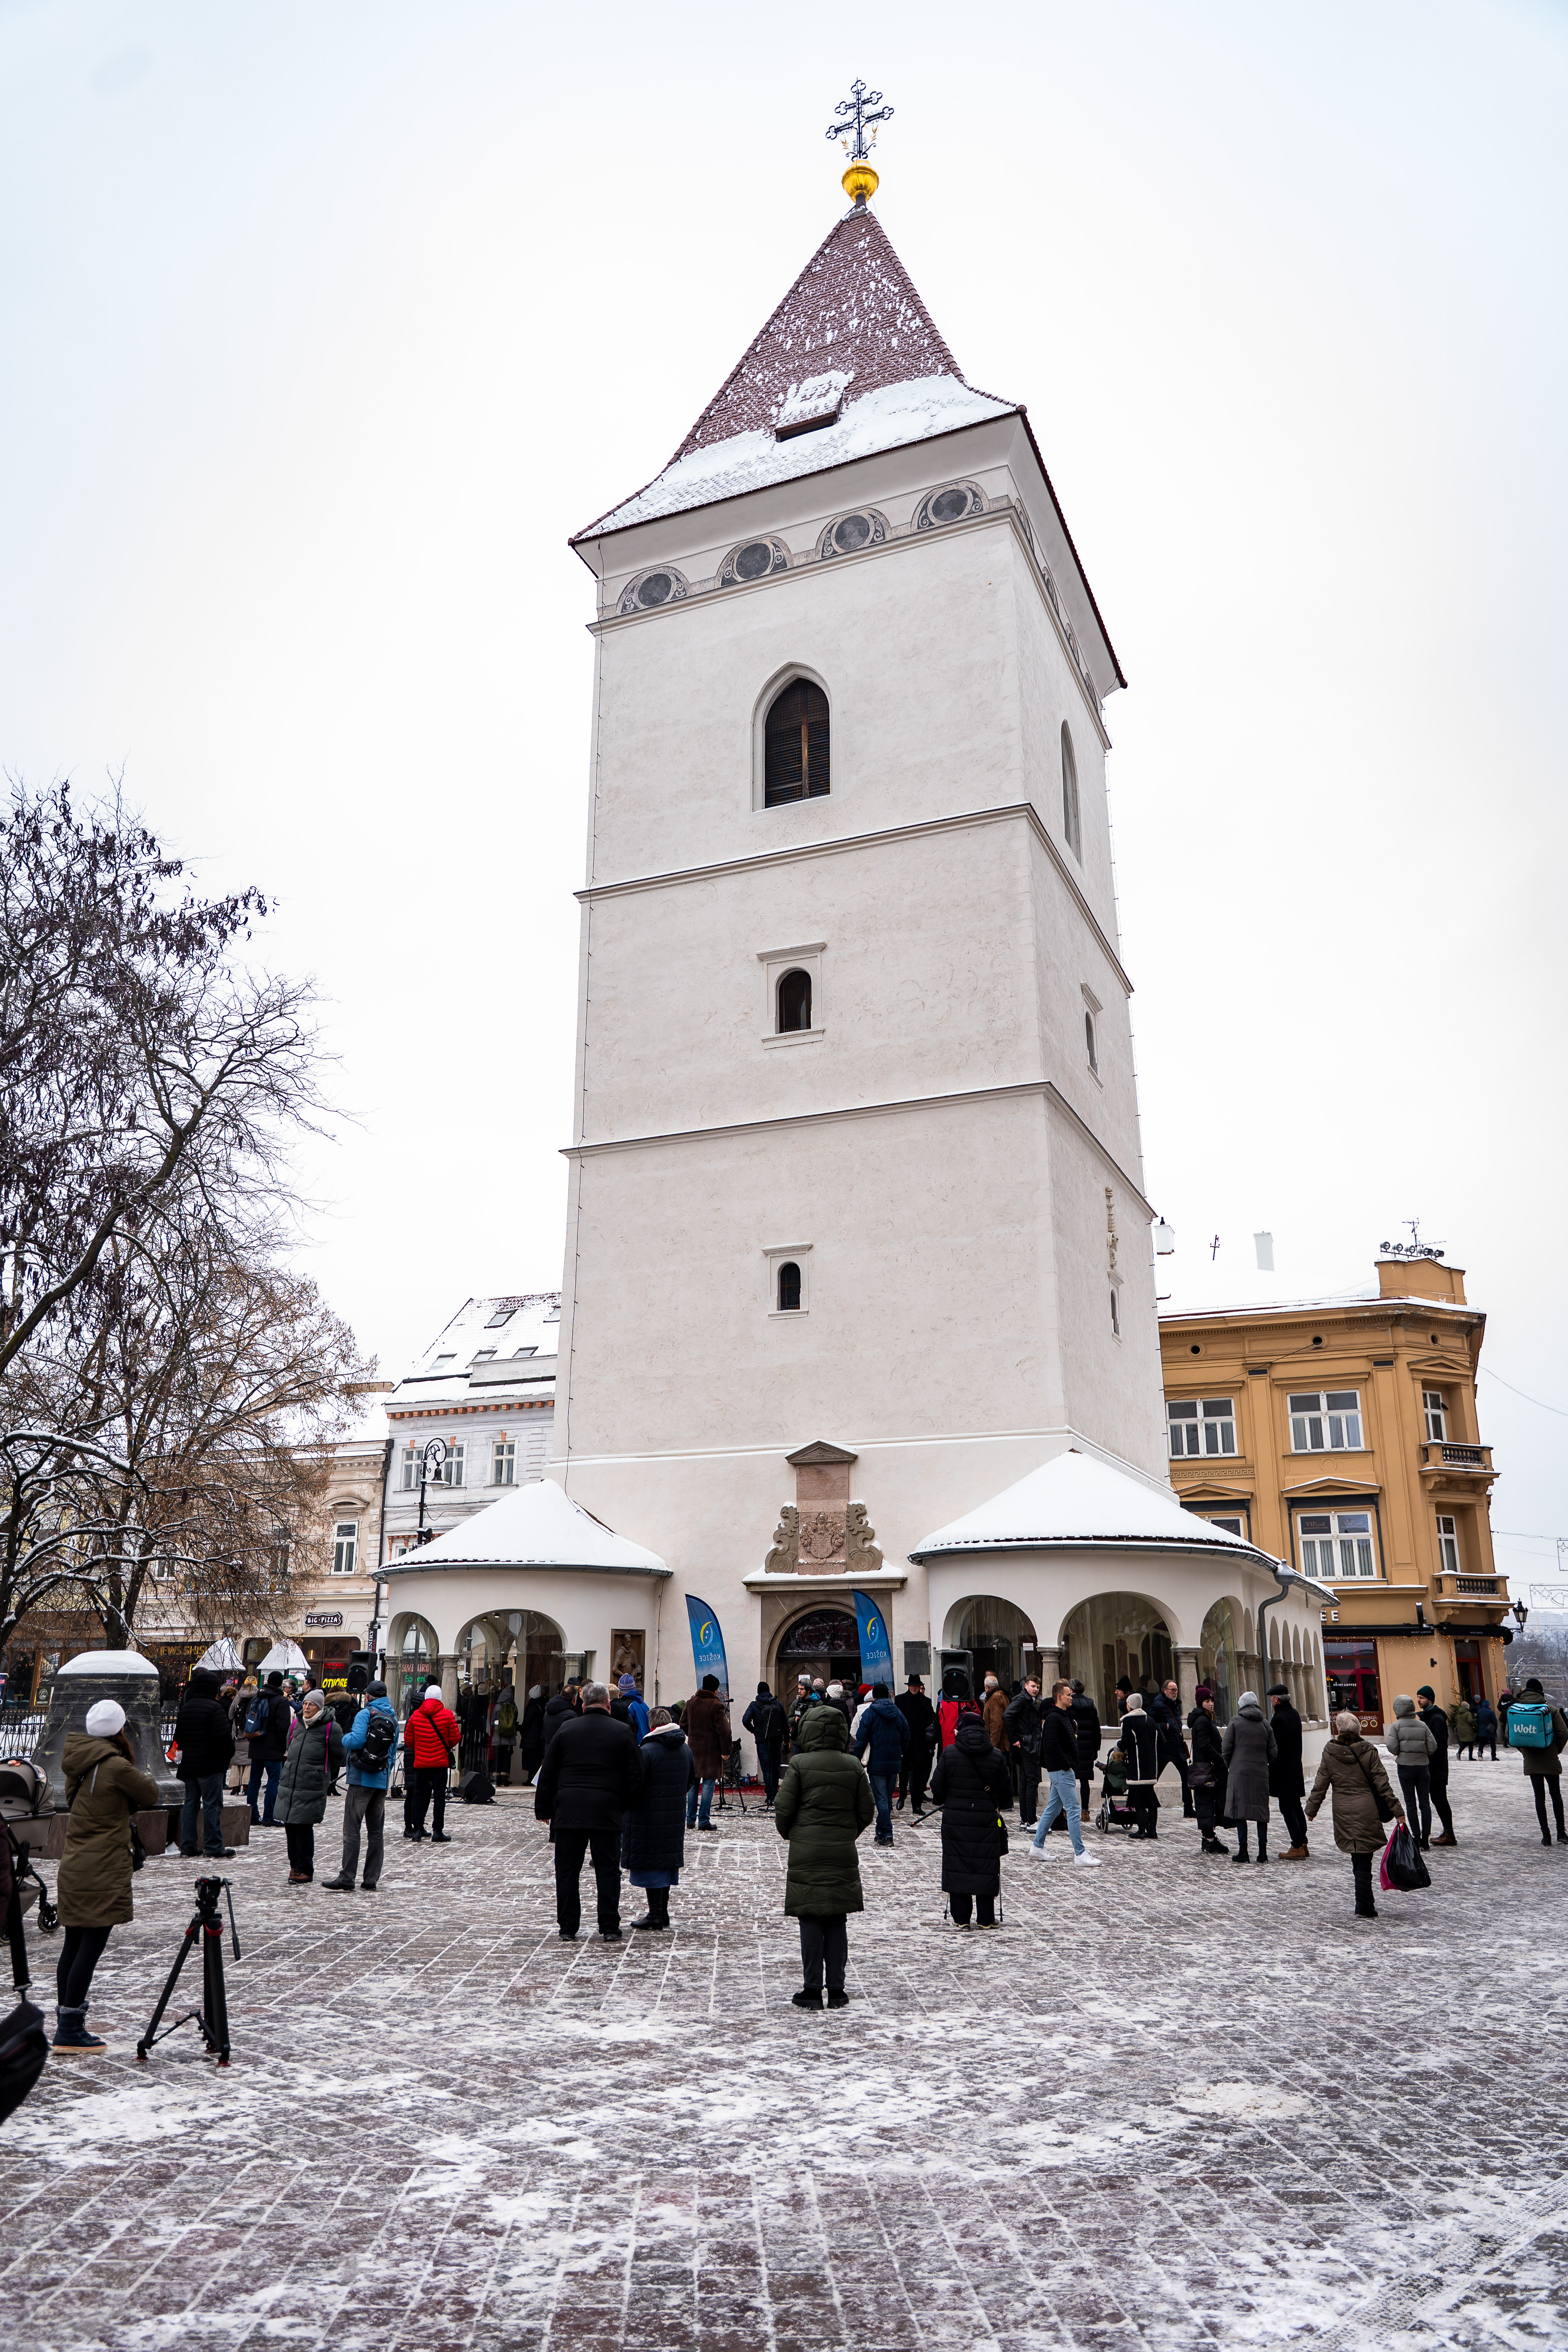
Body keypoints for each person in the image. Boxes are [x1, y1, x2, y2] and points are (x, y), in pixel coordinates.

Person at [52, 1699, 159, 2053]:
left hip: (76, 1864)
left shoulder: (79, 1764)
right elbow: (152, 1793)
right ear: (119, 1729)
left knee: (74, 1943)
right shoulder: (114, 1766)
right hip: (103, 1869)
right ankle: (70, 2030)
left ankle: (66, 2024)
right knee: (91, 1946)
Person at [775, 1699, 874, 2007]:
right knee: (837, 1919)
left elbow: (783, 1809)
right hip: (841, 1851)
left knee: (811, 1919)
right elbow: (866, 1811)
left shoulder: (800, 1765)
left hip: (806, 1852)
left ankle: (812, 1989)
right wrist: (847, 1833)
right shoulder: (853, 1765)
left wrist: (795, 1834)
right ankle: (838, 1989)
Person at [534, 1681, 643, 1941]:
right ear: (608, 1704)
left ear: (583, 1705)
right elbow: (637, 1776)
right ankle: (609, 1925)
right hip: (607, 1809)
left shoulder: (567, 1729)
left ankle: (568, 1927)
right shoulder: (622, 1731)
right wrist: (624, 1805)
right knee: (607, 1870)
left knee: (567, 1870)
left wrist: (544, 1809)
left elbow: (547, 1773)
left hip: (569, 1810)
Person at [1305, 1710, 1407, 1918]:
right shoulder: (1368, 1750)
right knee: (1364, 1857)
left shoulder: (1330, 1751)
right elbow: (1382, 1783)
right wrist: (1397, 1810)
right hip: (1366, 1808)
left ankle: (1364, 1901)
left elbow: (1321, 1783)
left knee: (1356, 1854)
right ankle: (1364, 1903)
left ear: (1339, 1730)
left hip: (1343, 1810)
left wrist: (1311, 1809)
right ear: (1358, 1729)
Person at [931, 1708, 1013, 1927]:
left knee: (958, 1864)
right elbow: (1006, 1796)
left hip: (956, 1821)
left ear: (959, 1730)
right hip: (986, 1820)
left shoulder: (949, 1754)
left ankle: (962, 1919)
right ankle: (986, 1919)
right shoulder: (996, 1756)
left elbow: (936, 1791)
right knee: (986, 1864)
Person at [323, 1677, 398, 1891]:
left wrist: (345, 1738)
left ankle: (347, 1878)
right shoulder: (392, 1719)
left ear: (368, 1697)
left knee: (352, 1829)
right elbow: (391, 1753)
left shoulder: (365, 1714)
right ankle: (371, 1879)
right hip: (380, 1780)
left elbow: (355, 1741)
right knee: (376, 1833)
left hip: (361, 1779)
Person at [623, 1706, 693, 1931]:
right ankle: (662, 1913)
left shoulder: (647, 1750)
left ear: (652, 1726)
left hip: (648, 1816)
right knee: (666, 1862)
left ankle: (655, 1915)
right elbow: (692, 1781)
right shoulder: (685, 1749)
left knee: (653, 1864)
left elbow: (634, 1784)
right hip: (674, 1814)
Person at [276, 1691, 345, 1884]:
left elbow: (339, 1755)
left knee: (304, 1826)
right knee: (290, 1825)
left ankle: (305, 1869)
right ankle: (294, 1866)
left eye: (311, 1705)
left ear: (320, 1707)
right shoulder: (297, 1724)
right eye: (305, 1704)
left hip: (312, 1783)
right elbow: (289, 1744)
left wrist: (322, 1773)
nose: (306, 1708)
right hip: (291, 1781)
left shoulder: (332, 1727)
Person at [1030, 1679, 1100, 1864]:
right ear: (1060, 1697)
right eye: (1069, 1695)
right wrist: (1067, 1764)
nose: (1072, 1698)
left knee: (1052, 1810)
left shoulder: (1062, 1716)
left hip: (1063, 1770)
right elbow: (1052, 1746)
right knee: (1074, 1809)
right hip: (1062, 1770)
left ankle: (1037, 1846)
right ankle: (1080, 1853)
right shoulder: (1054, 1718)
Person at [174, 1670, 236, 1859]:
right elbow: (224, 1739)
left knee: (191, 1805)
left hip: (190, 1766)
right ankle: (213, 1846)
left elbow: (179, 1741)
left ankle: (188, 1846)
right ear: (213, 1688)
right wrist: (228, 1755)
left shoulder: (186, 1708)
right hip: (210, 1766)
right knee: (212, 1805)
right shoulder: (215, 1709)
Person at [1221, 1691, 1276, 1862]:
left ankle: (1243, 1851)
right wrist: (1262, 1762)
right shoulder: (1265, 1725)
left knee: (1240, 1811)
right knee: (1261, 1812)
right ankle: (1263, 1853)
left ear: (1242, 1705)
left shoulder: (1235, 1722)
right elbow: (1273, 1751)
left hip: (1239, 1772)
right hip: (1260, 1773)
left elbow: (1226, 1748)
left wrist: (1231, 1764)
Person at [1512, 1677, 1568, 1846]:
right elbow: (1564, 1733)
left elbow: (1512, 1735)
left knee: (1539, 1797)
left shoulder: (1518, 1710)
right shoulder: (1549, 1710)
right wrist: (1556, 1750)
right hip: (1550, 1757)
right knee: (1556, 1795)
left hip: (1531, 1760)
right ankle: (1561, 1833)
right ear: (1541, 1692)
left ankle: (1546, 1836)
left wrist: (1525, 1752)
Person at [403, 1680, 460, 1843]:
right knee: (440, 1797)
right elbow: (455, 1738)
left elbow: (409, 1741)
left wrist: (421, 1747)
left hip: (421, 1763)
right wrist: (444, 1747)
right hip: (440, 1763)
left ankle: (417, 1830)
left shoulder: (415, 1716)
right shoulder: (448, 1715)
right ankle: (438, 1831)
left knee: (418, 1796)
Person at [853, 1682, 909, 1846]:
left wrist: (857, 1759)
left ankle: (887, 1834)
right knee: (887, 1798)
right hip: (894, 1763)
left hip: (877, 1763)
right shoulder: (898, 1713)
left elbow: (862, 1738)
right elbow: (907, 1735)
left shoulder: (871, 1713)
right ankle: (880, 1833)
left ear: (874, 1697)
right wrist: (901, 1752)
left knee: (882, 1800)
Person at [1384, 1695, 1437, 1849]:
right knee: (1425, 1804)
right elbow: (1433, 1746)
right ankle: (1426, 1839)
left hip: (1405, 1768)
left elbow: (1392, 1748)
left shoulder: (1396, 1726)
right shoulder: (1422, 1725)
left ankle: (1416, 1837)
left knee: (1410, 1803)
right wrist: (1422, 1753)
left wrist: (1403, 1752)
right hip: (1422, 1767)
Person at [244, 1671, 293, 1826]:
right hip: (273, 1748)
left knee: (254, 1781)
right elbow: (283, 1726)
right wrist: (284, 1746)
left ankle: (252, 1814)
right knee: (274, 1780)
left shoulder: (256, 1698)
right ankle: (269, 1815)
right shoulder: (281, 1701)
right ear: (280, 1685)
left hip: (256, 1745)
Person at [1267, 1684, 1310, 1859]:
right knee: (1296, 1805)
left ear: (1276, 1699)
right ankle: (1304, 1842)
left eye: (1271, 1699)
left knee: (1286, 1807)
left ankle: (1297, 1845)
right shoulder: (1294, 1714)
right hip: (1294, 1767)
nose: (1271, 1702)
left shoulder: (1279, 1719)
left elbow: (1275, 1747)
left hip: (1283, 1770)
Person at [683, 1675, 729, 1831]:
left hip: (694, 1750)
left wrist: (694, 1736)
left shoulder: (691, 1703)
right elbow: (724, 1730)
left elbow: (683, 1724)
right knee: (709, 1784)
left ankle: (690, 1820)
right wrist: (726, 1751)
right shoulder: (717, 1705)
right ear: (715, 1690)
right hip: (711, 1752)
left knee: (694, 1785)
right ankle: (703, 1820)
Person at [1188, 1686, 1229, 1855]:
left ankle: (1209, 1838)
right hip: (1207, 1769)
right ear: (1201, 1703)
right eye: (1207, 1701)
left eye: (1212, 1701)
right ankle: (1209, 1840)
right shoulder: (1202, 1721)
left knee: (1208, 1802)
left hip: (1207, 1768)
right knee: (1207, 1803)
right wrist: (1221, 1760)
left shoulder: (1205, 1719)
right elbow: (1205, 1746)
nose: (1211, 1704)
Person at [1416, 1685, 1457, 1846]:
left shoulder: (1436, 1719)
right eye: (1418, 1697)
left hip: (1436, 1769)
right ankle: (1448, 1832)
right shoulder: (1428, 1717)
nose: (1418, 1700)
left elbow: (1439, 1747)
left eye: (1422, 1698)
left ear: (1430, 1700)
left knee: (1440, 1800)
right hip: (1431, 1767)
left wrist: (1429, 1765)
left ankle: (1449, 1834)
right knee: (1437, 1800)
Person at [1119, 1690, 1162, 1839]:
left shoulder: (1128, 1721)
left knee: (1139, 1800)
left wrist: (1117, 1747)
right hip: (1150, 1765)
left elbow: (1126, 1742)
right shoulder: (1150, 1720)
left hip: (1137, 1765)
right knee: (1150, 1798)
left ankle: (1142, 1830)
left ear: (1129, 1705)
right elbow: (1160, 1741)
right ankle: (1153, 1830)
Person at [1149, 1679, 1194, 1817]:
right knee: (1152, 1779)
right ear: (1165, 1691)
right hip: (1164, 1749)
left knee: (1186, 1777)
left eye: (1176, 1690)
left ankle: (1188, 1808)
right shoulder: (1158, 1705)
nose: (1175, 1693)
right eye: (1172, 1690)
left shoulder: (1175, 1705)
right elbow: (1150, 1722)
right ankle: (1146, 1805)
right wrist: (1165, 1726)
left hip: (1177, 1747)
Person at [1004, 1678, 1044, 1827]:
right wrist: (1014, 1738)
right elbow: (1007, 1716)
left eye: (1038, 1687)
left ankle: (1026, 1819)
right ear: (1026, 1686)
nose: (1036, 1689)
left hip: (1027, 1743)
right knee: (1031, 1780)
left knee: (1026, 1781)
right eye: (1033, 1686)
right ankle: (1031, 1820)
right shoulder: (1022, 1699)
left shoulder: (1029, 1700)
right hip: (1026, 1745)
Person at [895, 1675, 936, 1815]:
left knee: (919, 1777)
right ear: (908, 1686)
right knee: (904, 1772)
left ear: (920, 1687)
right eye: (911, 1685)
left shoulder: (927, 1702)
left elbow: (932, 1723)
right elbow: (897, 1721)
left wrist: (931, 1744)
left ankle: (916, 1805)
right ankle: (902, 1797)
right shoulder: (900, 1700)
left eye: (916, 1686)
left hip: (921, 1744)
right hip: (905, 1743)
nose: (913, 1688)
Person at [742, 1682, 788, 1808]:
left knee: (767, 1769)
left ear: (758, 1692)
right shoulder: (777, 1703)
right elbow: (785, 1723)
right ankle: (775, 1795)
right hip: (777, 1741)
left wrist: (755, 1731)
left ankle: (770, 1796)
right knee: (775, 1768)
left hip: (762, 1742)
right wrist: (787, 1740)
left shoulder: (754, 1705)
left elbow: (745, 1720)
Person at [1069, 1680, 1102, 1817]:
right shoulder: (1091, 1706)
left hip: (1072, 1747)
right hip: (1088, 1748)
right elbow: (1097, 1730)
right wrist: (1096, 1750)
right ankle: (1085, 1811)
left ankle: (1068, 1810)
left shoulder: (1069, 1706)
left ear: (1071, 1690)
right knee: (1085, 1781)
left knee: (1069, 1781)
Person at [517, 1685, 546, 1784]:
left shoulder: (532, 1708)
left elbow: (527, 1724)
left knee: (530, 1760)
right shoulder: (542, 1707)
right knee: (535, 1760)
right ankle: (533, 1779)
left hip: (530, 1739)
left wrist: (519, 1728)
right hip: (537, 1739)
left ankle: (531, 1779)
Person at [617, 1673, 651, 1741]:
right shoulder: (644, 1705)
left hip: (637, 1745)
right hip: (646, 1744)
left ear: (620, 1691)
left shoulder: (627, 1706)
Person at [981, 1673, 1008, 1752]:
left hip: (999, 1746)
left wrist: (993, 1746)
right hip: (1001, 1745)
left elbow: (996, 1724)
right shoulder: (1001, 1695)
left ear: (987, 1687)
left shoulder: (995, 1698)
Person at [1450, 1692, 1477, 1762]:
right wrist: (1477, 1719)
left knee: (1464, 1743)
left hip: (1461, 1730)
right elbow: (1470, 1721)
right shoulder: (1468, 1713)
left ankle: (1459, 1753)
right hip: (1468, 1730)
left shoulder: (1459, 1714)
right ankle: (1470, 1757)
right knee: (1471, 1743)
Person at [1474, 1693, 1498, 1761]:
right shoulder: (1491, 1712)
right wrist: (1495, 1729)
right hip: (1490, 1730)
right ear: (1489, 1705)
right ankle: (1493, 1756)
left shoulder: (1479, 1712)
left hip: (1482, 1730)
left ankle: (1480, 1753)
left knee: (1482, 1743)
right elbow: (1495, 1722)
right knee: (1493, 1744)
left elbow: (1478, 1720)